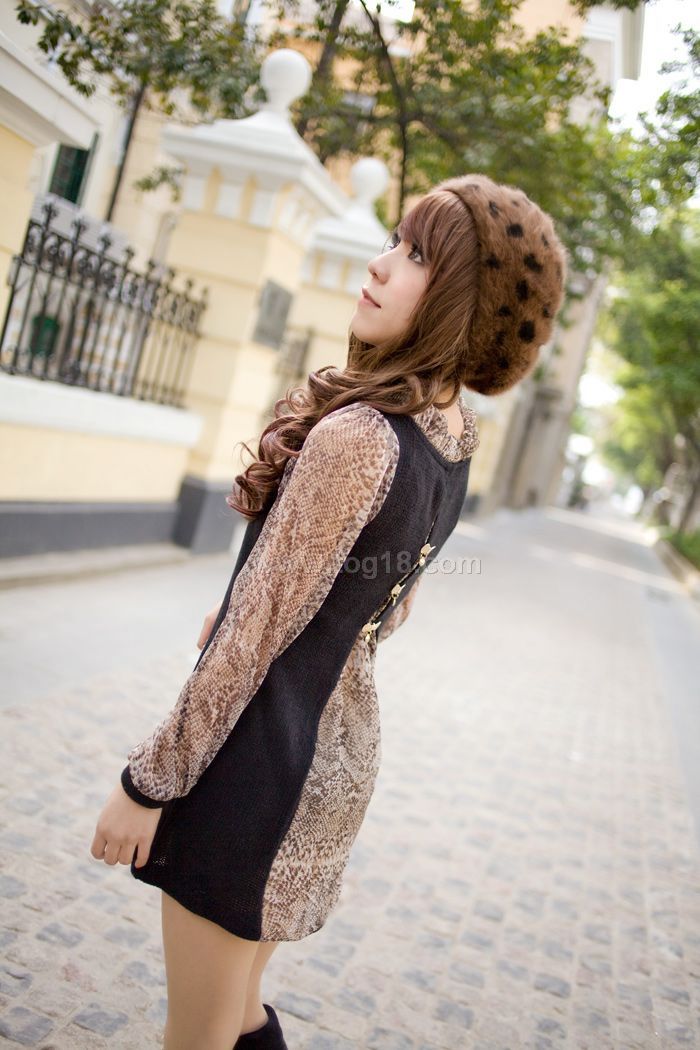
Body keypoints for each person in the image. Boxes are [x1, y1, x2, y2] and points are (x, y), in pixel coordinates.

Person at [90, 172, 567, 1050]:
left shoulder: (360, 436)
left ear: (463, 301)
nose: (381, 265)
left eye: (417, 255)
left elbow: (253, 639)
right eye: (394, 240)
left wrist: (145, 783)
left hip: (257, 771)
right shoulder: (450, 440)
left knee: (198, 1034)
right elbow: (389, 610)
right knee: (236, 1017)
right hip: (330, 763)